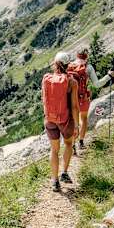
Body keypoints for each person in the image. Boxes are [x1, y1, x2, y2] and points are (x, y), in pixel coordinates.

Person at [42, 52, 79, 192]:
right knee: (68, 144)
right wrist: (76, 125)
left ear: (55, 63)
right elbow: (75, 106)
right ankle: (64, 173)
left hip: (50, 119)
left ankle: (55, 181)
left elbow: (43, 99)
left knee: (54, 150)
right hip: (65, 120)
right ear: (68, 65)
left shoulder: (46, 78)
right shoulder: (71, 82)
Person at [68, 48, 114, 151]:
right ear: (87, 56)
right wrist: (108, 76)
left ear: (77, 55)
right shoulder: (88, 67)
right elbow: (97, 84)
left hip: (72, 99)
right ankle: (81, 142)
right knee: (83, 119)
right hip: (83, 98)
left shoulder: (70, 66)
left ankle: (73, 146)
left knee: (73, 121)